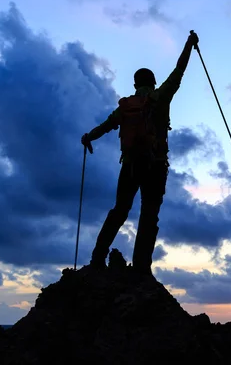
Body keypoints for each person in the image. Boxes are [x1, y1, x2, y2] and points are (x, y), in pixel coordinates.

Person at [81, 31, 199, 275]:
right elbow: (179, 71)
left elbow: (106, 125)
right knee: (149, 216)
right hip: (155, 166)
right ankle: (142, 269)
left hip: (130, 164)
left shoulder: (126, 108)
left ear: (135, 85)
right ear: (154, 82)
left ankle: (97, 258)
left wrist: (88, 137)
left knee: (120, 210)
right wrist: (189, 44)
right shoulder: (160, 97)